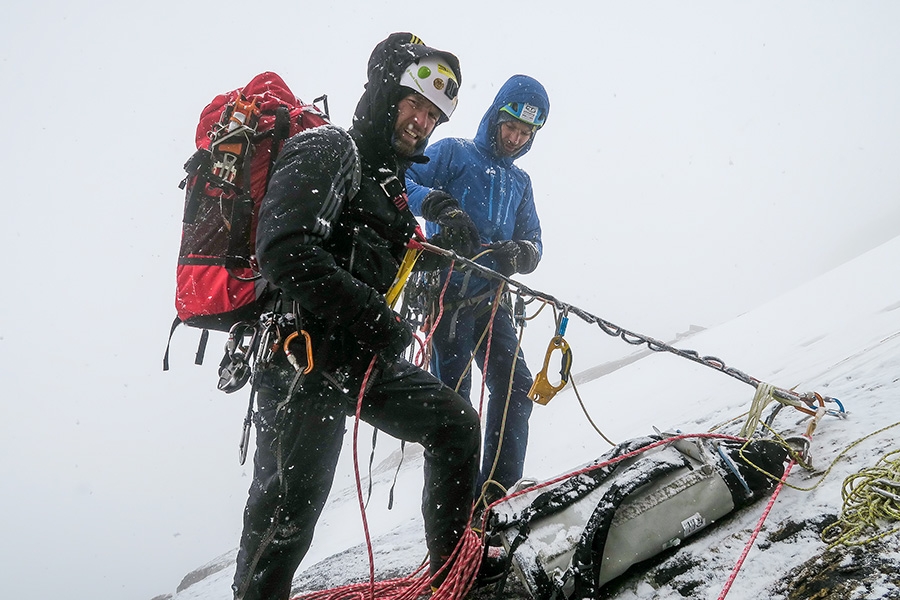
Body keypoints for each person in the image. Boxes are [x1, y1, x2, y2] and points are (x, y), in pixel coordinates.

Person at [232, 33, 483, 600]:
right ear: (384, 95)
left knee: (456, 428)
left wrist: (442, 256)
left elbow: (370, 264)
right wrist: (378, 321)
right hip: (302, 361)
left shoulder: (389, 185)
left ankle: (452, 577)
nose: (422, 120)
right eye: (414, 103)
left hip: (357, 358)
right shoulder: (328, 148)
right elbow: (285, 251)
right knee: (287, 515)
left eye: (433, 114)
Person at [406, 74, 550, 509]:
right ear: (495, 116)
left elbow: (535, 242)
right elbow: (402, 178)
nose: (515, 137)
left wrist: (519, 254)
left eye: (526, 132)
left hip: (491, 303)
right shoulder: (453, 152)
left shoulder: (520, 182)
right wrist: (437, 206)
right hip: (446, 300)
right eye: (511, 126)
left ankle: (493, 497)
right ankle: (455, 506)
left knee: (517, 387)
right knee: (456, 404)